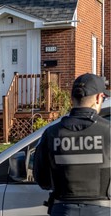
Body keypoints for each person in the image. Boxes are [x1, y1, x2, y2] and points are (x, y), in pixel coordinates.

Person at [33, 73, 110, 216]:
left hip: (63, 209)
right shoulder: (109, 131)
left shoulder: (51, 133)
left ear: (72, 98)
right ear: (99, 98)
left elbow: (42, 179)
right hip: (102, 210)